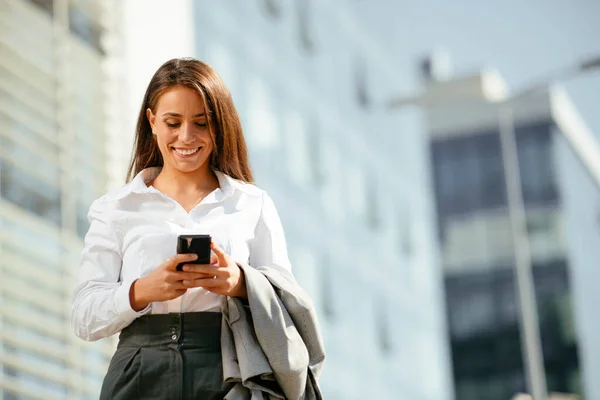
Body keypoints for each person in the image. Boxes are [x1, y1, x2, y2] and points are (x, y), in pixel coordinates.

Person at [71, 58, 322, 400]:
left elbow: (286, 303)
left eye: (201, 123)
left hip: (229, 371)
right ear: (152, 121)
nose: (186, 137)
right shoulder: (116, 207)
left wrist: (239, 283)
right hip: (138, 375)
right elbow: (84, 318)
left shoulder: (252, 203)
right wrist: (143, 290)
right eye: (172, 122)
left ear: (219, 126)